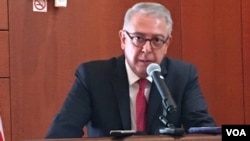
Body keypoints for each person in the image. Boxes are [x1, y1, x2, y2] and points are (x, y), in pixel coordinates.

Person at [45, 2, 217, 138]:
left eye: (157, 40)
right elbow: (61, 133)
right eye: (138, 38)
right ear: (123, 39)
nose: (147, 49)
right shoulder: (92, 77)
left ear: (167, 44)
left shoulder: (183, 75)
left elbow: (202, 128)